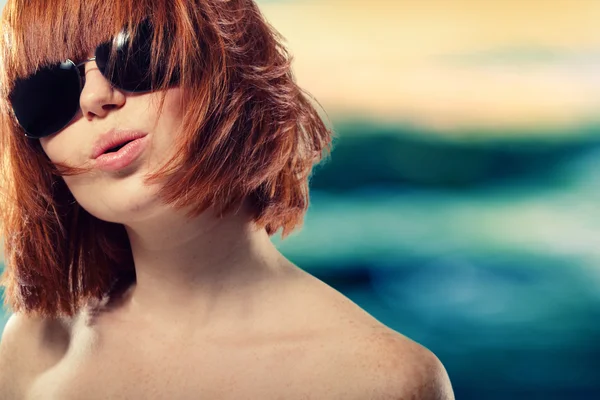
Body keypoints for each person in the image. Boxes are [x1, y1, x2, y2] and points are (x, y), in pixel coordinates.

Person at [0, 0, 454, 398]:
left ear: (232, 69)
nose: (95, 98)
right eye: (46, 92)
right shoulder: (34, 349)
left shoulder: (383, 382)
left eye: (136, 52)